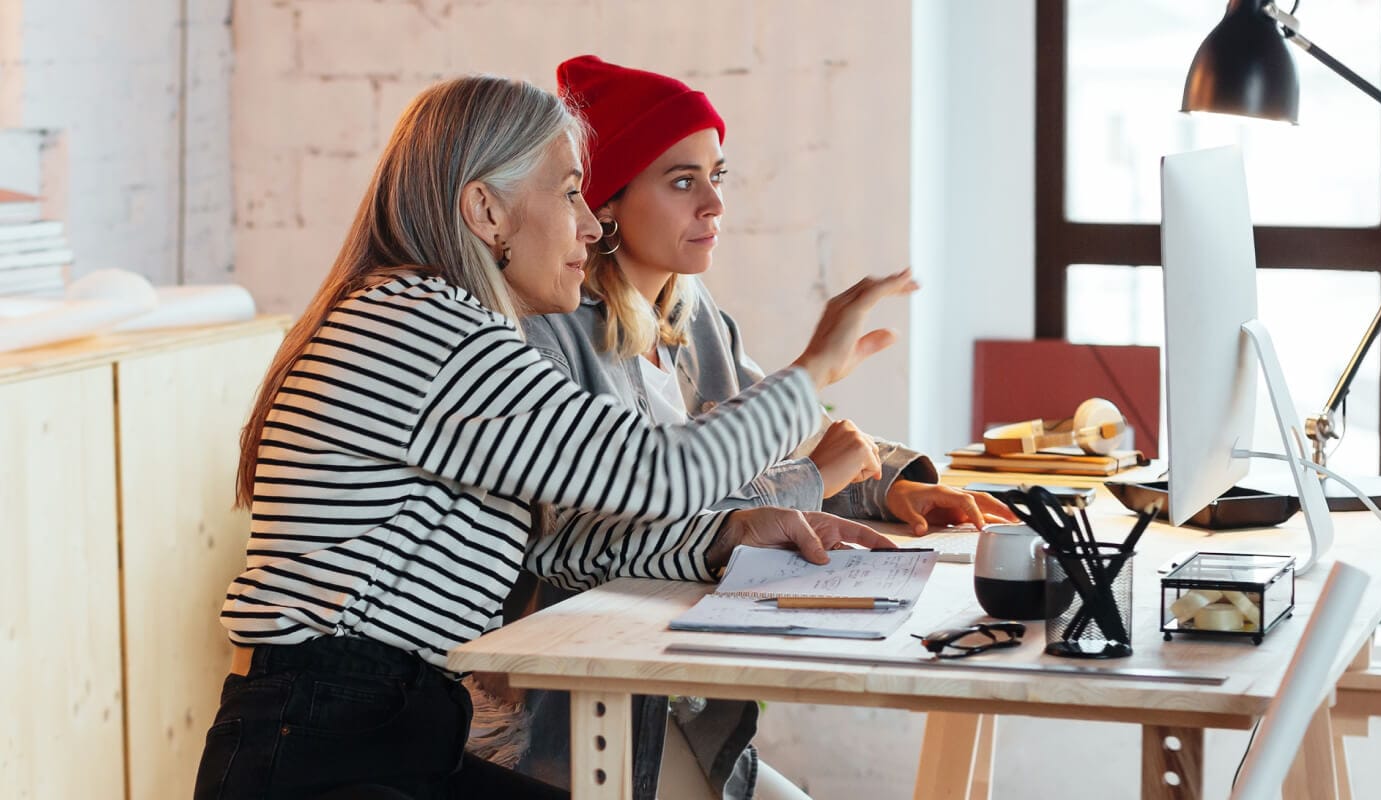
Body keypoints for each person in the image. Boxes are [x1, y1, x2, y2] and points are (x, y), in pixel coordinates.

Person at [192, 73, 914, 799]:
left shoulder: (437, 323)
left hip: (378, 729)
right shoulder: (420, 325)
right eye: (570, 192)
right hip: (322, 748)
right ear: (486, 210)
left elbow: (562, 543)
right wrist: (813, 370)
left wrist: (720, 538)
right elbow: (658, 474)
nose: (592, 225)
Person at [463, 57, 1015, 799]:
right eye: (683, 180)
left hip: (672, 682)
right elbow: (635, 514)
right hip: (580, 702)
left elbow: (783, 435)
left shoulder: (694, 319)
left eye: (718, 176)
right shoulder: (553, 332)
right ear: (610, 201)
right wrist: (819, 474)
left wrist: (893, 483)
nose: (714, 204)